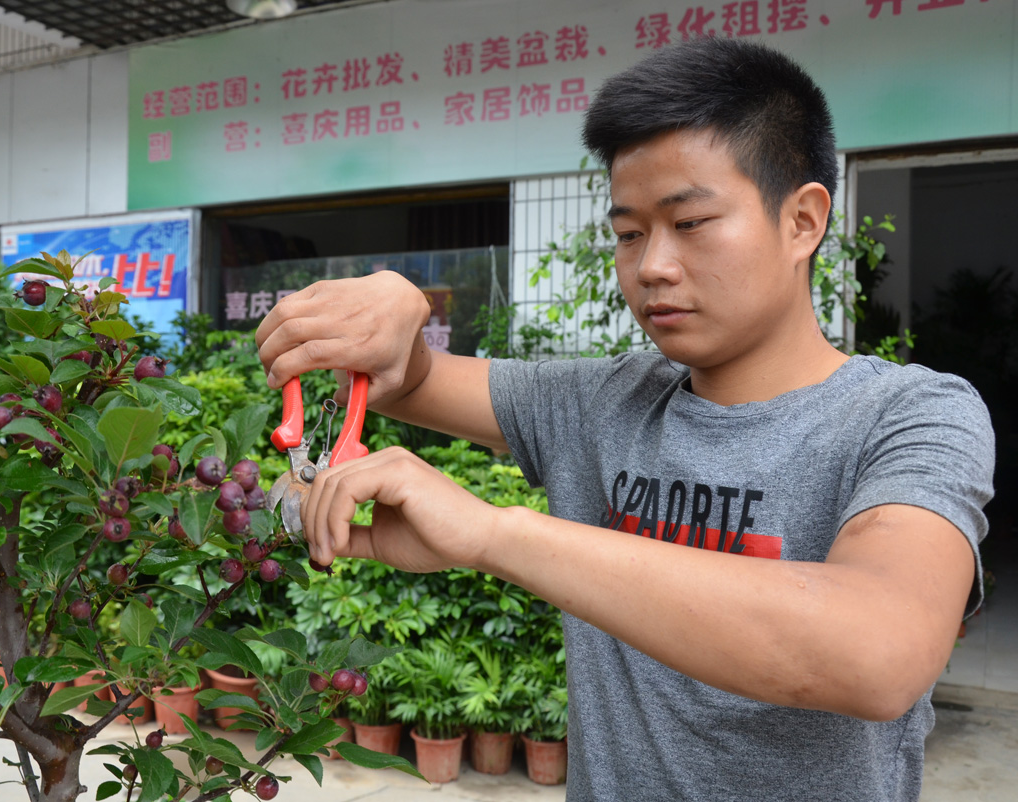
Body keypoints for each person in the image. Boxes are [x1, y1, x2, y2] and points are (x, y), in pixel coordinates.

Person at [256, 37, 994, 801]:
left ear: (803, 220)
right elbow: (411, 379)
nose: (652, 267)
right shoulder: (603, 402)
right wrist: (395, 312)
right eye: (629, 233)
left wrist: (493, 534)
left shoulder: (909, 417)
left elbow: (877, 654)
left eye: (693, 222)